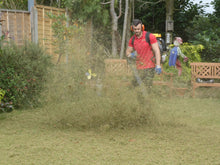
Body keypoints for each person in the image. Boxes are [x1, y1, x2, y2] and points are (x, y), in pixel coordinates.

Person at [126, 19, 161, 91]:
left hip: (149, 67)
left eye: (138, 29)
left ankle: (147, 101)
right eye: (135, 29)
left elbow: (157, 51)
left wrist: (158, 65)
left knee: (146, 88)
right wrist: (130, 55)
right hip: (139, 68)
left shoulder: (149, 36)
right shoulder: (132, 39)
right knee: (134, 88)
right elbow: (127, 52)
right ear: (132, 28)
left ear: (142, 27)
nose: (137, 31)